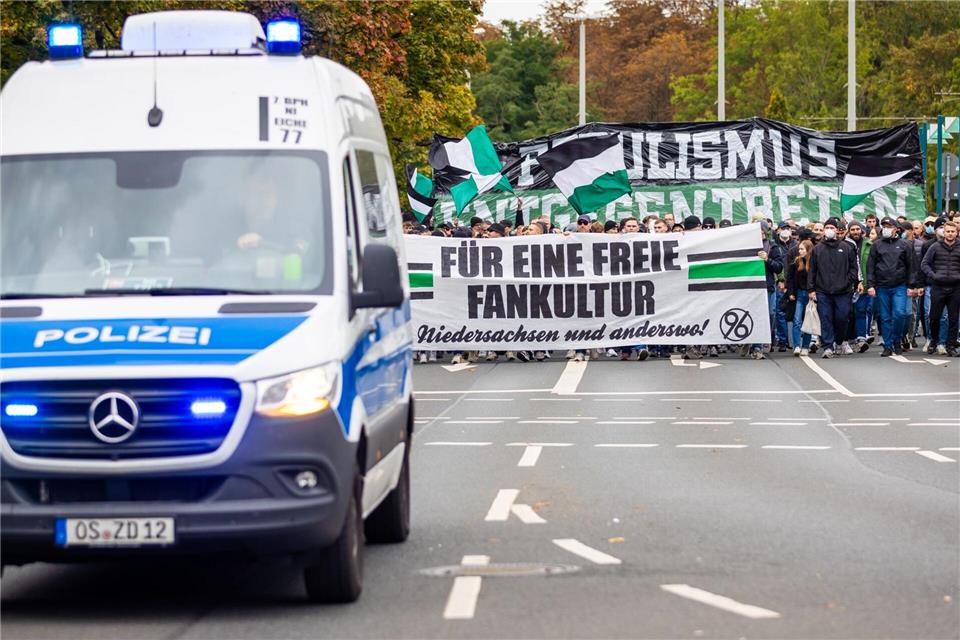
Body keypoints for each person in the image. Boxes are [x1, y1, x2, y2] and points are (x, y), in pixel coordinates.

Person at [866, 217, 917, 357]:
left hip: (899, 286)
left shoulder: (905, 245)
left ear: (896, 228)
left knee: (900, 314)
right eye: (884, 226)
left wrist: (912, 285)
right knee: (885, 317)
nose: (886, 228)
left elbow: (912, 266)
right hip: (882, 286)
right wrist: (870, 285)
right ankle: (888, 346)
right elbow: (870, 266)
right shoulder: (877, 245)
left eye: (889, 226)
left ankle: (897, 340)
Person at [808, 217, 858, 358]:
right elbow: (812, 270)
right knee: (825, 318)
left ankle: (840, 340)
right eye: (827, 228)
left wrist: (848, 282)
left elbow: (854, 268)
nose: (829, 230)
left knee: (842, 317)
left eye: (832, 228)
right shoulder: (818, 249)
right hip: (823, 291)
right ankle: (828, 346)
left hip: (843, 291)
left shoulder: (847, 248)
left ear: (837, 230)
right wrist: (811, 289)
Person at [920, 220, 960, 357]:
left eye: (952, 231)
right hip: (938, 287)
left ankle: (950, 346)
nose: (950, 234)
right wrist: (934, 276)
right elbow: (924, 264)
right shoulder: (935, 247)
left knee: (953, 319)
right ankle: (934, 341)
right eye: (947, 231)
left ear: (956, 232)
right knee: (934, 317)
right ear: (944, 232)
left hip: (955, 287)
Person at [786, 239, 814, 355]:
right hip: (799, 294)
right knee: (797, 320)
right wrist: (791, 292)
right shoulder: (796, 263)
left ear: (808, 250)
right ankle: (797, 345)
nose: (800, 251)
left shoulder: (813, 263)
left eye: (802, 249)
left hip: (810, 295)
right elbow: (790, 279)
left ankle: (806, 346)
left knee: (808, 321)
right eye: (799, 249)